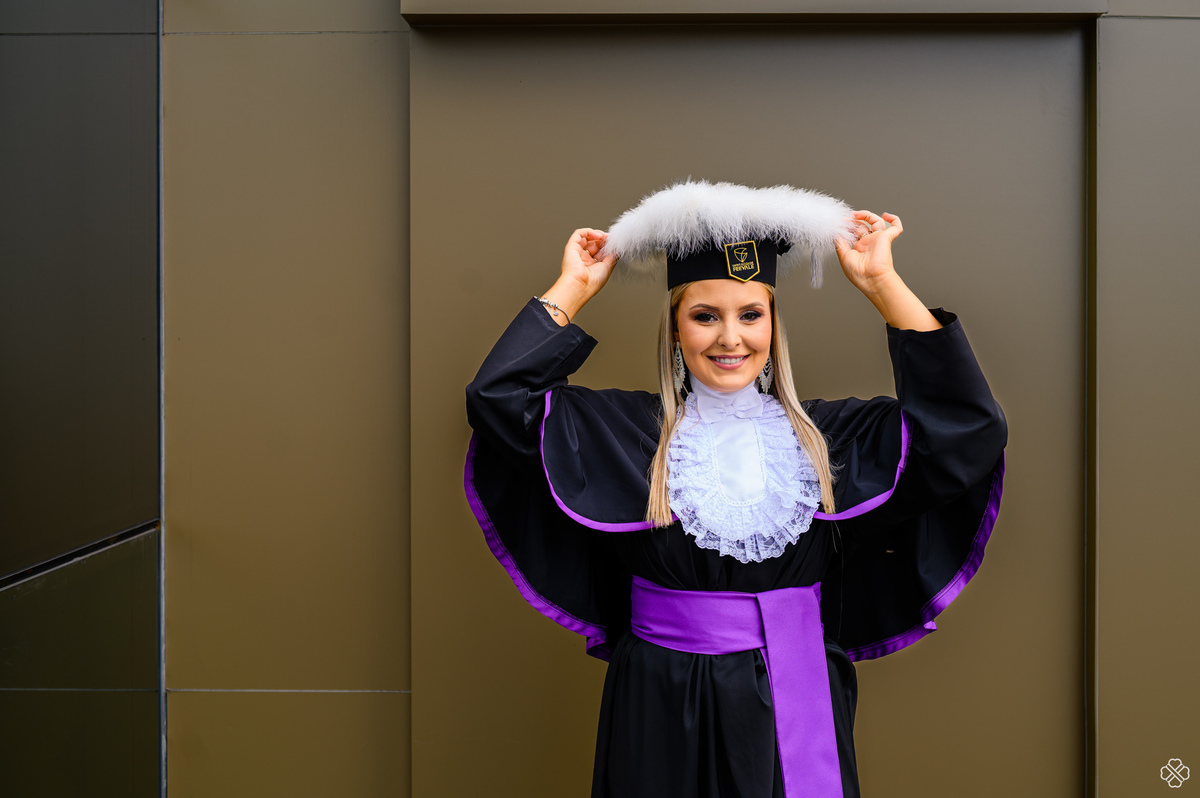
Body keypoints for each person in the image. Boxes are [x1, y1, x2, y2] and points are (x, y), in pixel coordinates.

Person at [463, 180, 1007, 798]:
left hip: (794, 683)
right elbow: (498, 400)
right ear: (674, 329)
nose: (730, 338)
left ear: (774, 326)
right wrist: (575, 288)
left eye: (751, 315)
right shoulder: (624, 434)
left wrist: (883, 286)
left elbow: (967, 430)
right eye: (704, 316)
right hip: (657, 697)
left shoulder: (829, 440)